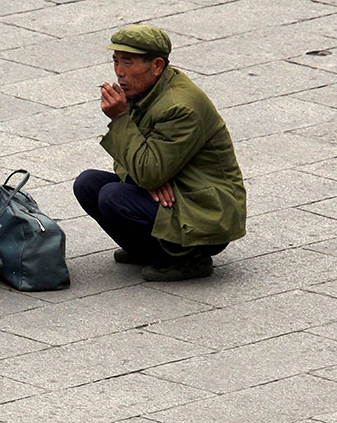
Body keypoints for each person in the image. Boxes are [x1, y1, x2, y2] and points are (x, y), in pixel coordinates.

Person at [73, 25, 246, 281]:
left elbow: (146, 169)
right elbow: (127, 162)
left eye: (128, 63)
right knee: (88, 183)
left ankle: (189, 258)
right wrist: (146, 178)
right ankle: (146, 250)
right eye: (116, 61)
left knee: (113, 196)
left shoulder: (180, 107)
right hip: (176, 192)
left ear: (156, 65)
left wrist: (120, 120)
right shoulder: (144, 91)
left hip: (205, 212)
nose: (119, 72)